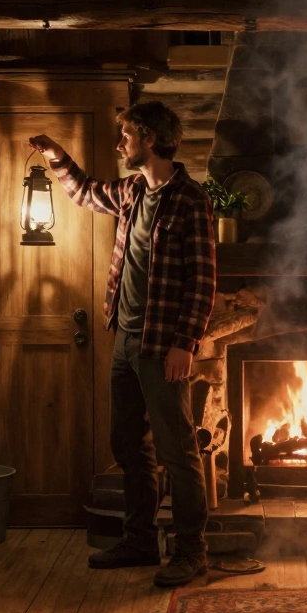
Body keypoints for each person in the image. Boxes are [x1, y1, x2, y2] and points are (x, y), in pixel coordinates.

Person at [29, 101, 216, 588]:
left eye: (126, 135)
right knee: (130, 446)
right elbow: (87, 192)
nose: (119, 144)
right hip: (126, 339)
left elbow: (203, 281)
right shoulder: (132, 191)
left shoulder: (190, 199)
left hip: (163, 347)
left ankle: (192, 552)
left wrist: (186, 343)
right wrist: (55, 155)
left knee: (177, 450)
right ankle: (139, 542)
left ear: (150, 138)